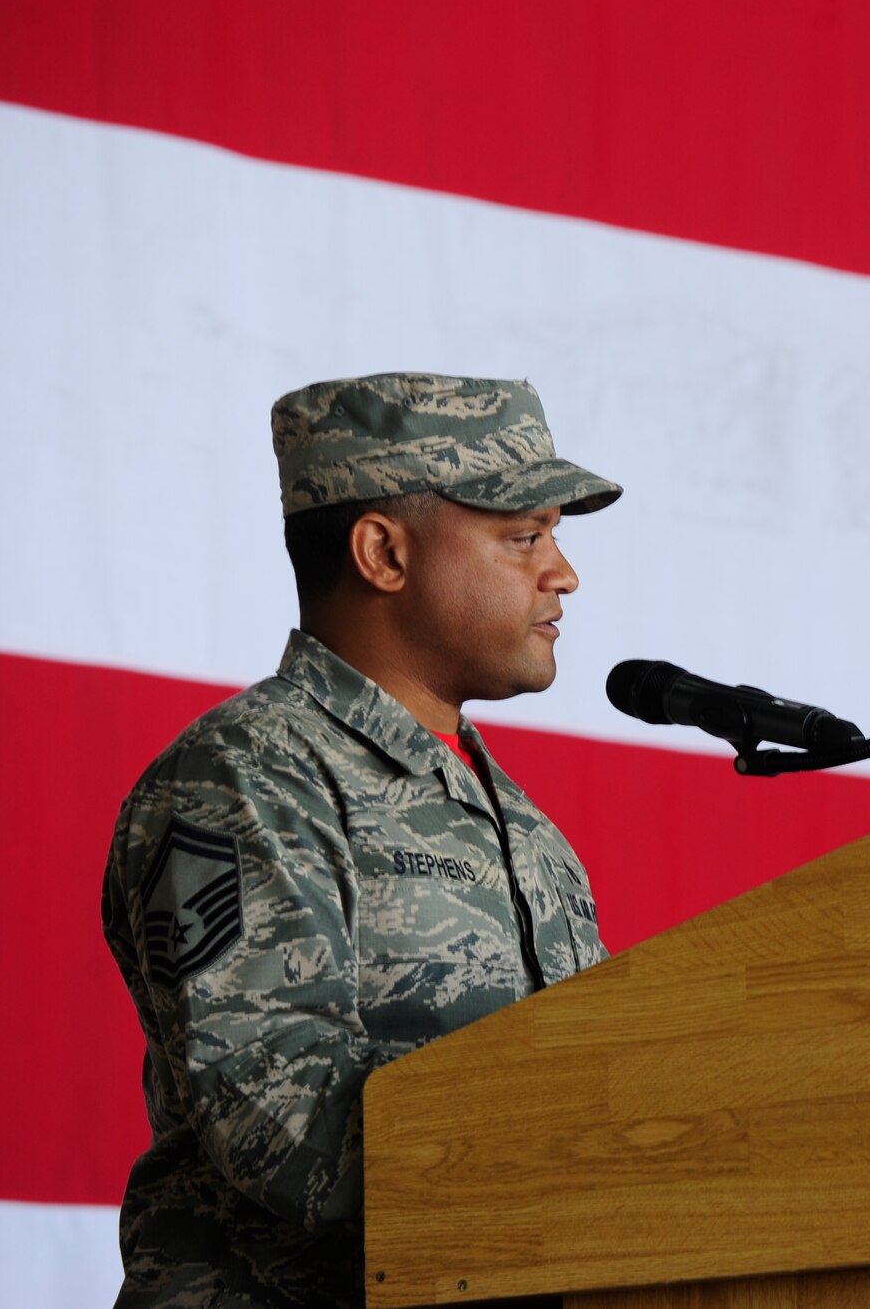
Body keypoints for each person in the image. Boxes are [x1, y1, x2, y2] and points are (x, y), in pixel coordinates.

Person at [100, 373, 622, 1307]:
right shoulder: (248, 777)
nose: (563, 573)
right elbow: (282, 1125)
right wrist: (598, 1132)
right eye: (524, 536)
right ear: (383, 552)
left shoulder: (525, 828)